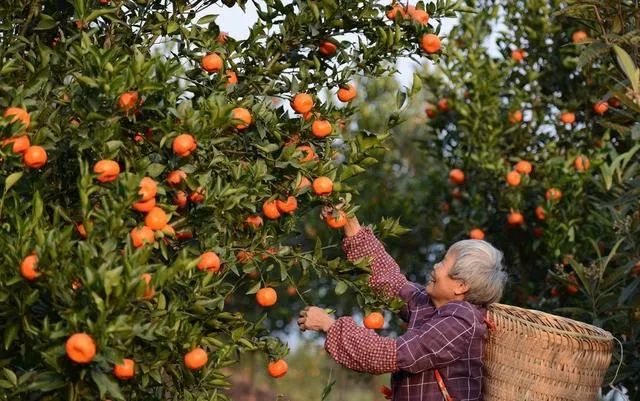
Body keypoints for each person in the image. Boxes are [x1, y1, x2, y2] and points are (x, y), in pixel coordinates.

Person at [297, 212, 507, 401]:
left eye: (443, 263)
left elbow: (392, 354)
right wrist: (351, 226)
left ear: (461, 286)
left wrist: (329, 326)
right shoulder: (433, 305)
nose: (435, 266)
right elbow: (390, 283)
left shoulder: (460, 321)